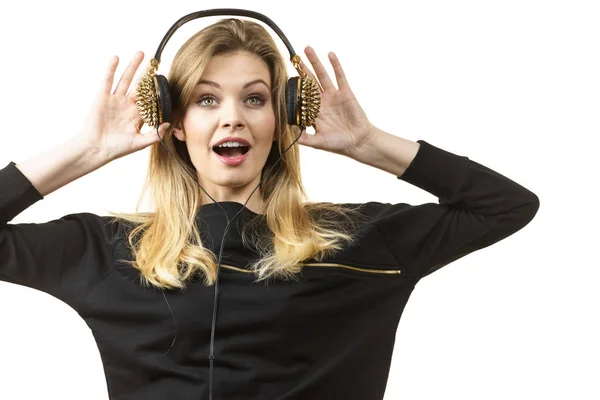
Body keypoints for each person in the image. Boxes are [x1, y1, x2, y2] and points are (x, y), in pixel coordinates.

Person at [0, 17, 539, 400]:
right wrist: (85, 151)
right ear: (174, 121)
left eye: (255, 98)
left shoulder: (358, 241)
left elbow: (506, 207)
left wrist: (367, 142)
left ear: (284, 117)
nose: (232, 118)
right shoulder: (108, 251)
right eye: (206, 99)